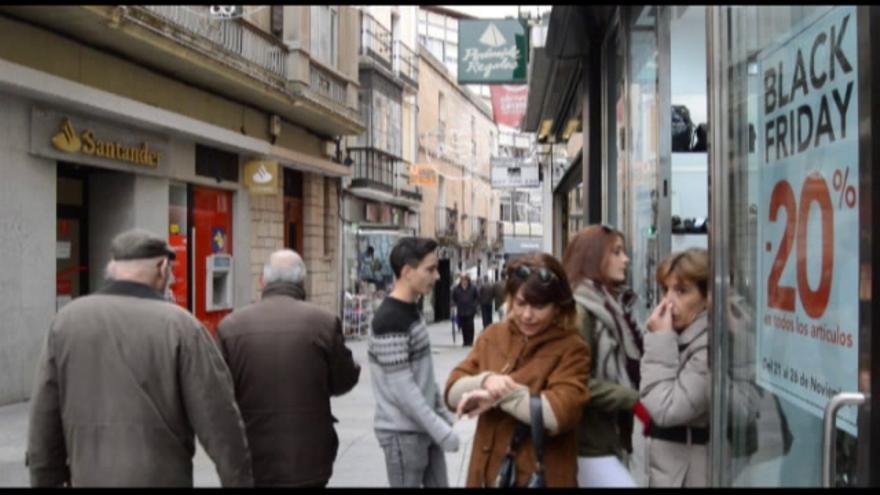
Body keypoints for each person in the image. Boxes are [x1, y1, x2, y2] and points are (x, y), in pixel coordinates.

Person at [27, 229, 252, 487]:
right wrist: (239, 479)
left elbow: (43, 419)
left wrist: (44, 477)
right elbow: (219, 420)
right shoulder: (181, 326)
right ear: (163, 267)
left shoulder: (66, 322)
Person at [217, 249, 361, 487]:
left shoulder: (230, 327)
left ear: (262, 281)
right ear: (303, 282)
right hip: (309, 458)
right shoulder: (324, 322)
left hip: (251, 455)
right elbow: (343, 380)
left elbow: (219, 393)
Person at [445, 253, 590, 487]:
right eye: (521, 303)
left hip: (540, 478)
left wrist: (499, 395)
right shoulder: (493, 336)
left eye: (539, 306)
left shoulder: (572, 348)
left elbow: (559, 413)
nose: (527, 315)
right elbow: (453, 393)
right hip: (485, 476)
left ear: (558, 307)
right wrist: (486, 381)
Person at [368, 237, 460, 487]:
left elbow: (425, 377)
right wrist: (442, 430)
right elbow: (404, 391)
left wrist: (442, 417)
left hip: (424, 429)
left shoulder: (410, 311)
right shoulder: (390, 320)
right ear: (407, 272)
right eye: (430, 269)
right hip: (403, 435)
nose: (437, 276)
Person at [562, 224, 645, 487]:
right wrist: (632, 399)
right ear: (594, 257)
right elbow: (574, 382)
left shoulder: (613, 305)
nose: (626, 259)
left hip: (608, 435)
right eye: (617, 252)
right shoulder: (581, 309)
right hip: (587, 441)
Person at [639, 248, 710, 487]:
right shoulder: (681, 335)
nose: (668, 301)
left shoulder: (709, 345)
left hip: (691, 472)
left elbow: (665, 408)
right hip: (675, 469)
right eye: (665, 290)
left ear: (706, 297)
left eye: (681, 291)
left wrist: (660, 339)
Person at [451, 273, 479, 346]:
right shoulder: (457, 289)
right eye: (463, 280)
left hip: (470, 310)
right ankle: (465, 341)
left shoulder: (473, 288)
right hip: (461, 310)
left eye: (465, 280)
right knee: (463, 326)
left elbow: (477, 297)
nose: (464, 281)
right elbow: (453, 298)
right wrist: (453, 304)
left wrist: (474, 305)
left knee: (470, 325)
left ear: (468, 280)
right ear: (461, 281)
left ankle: (470, 341)